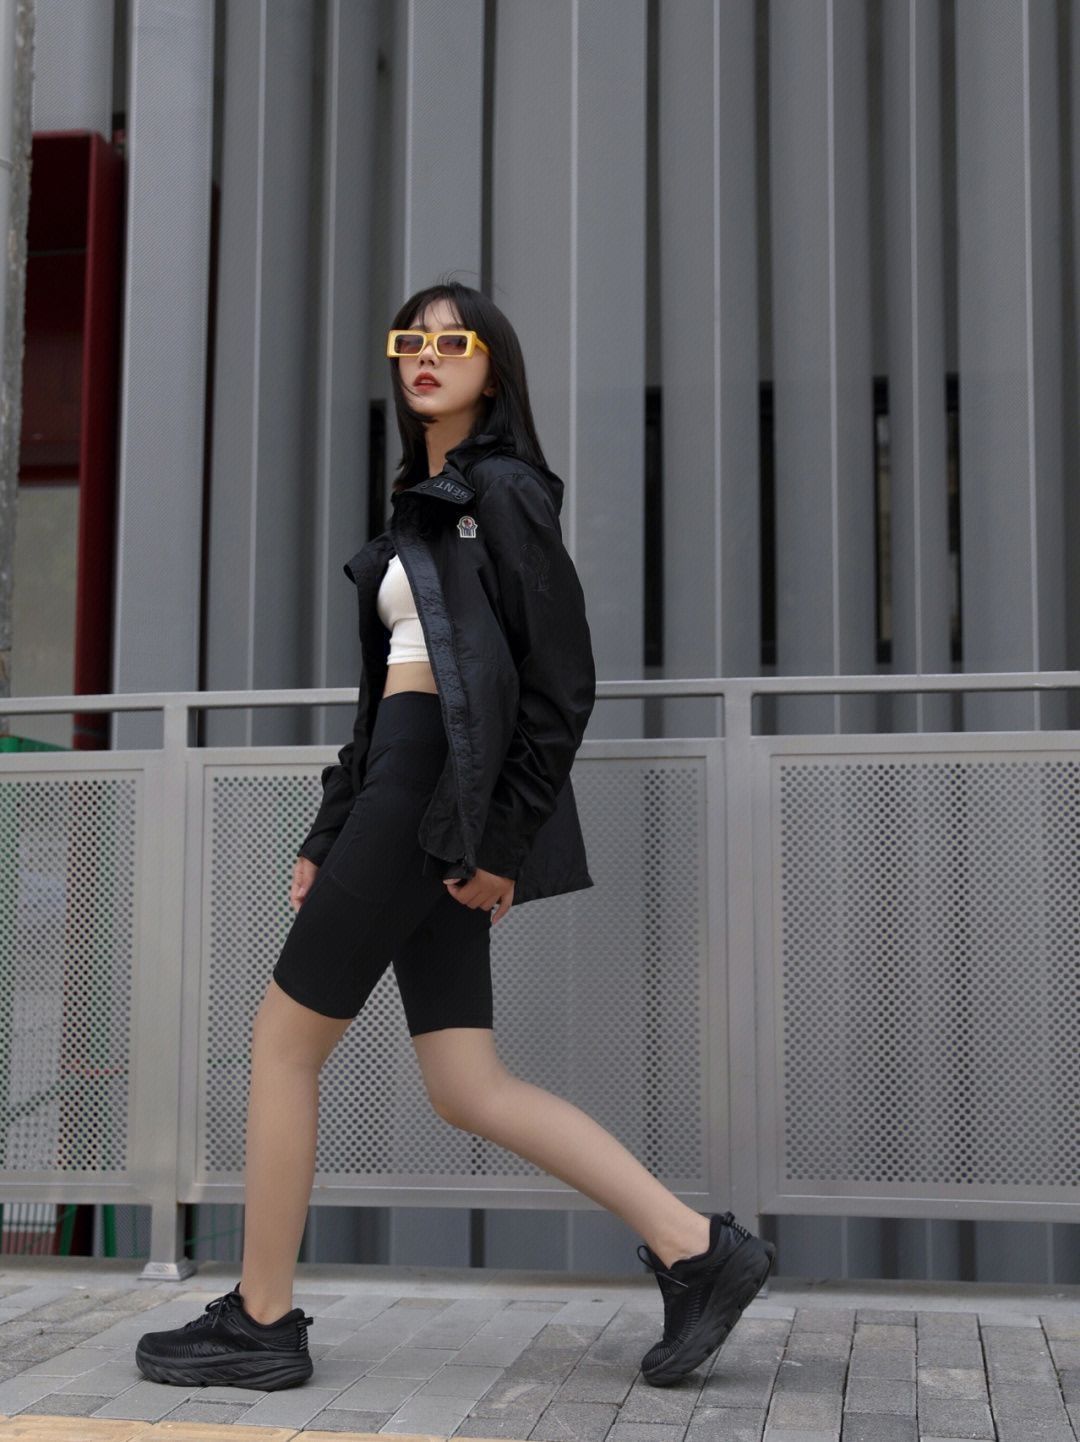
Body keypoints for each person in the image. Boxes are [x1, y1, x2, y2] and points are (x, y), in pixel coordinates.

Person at [135, 280, 774, 1394]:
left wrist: (502, 844)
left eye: (454, 341)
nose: (426, 356)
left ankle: (263, 1318)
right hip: (401, 790)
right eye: (410, 341)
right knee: (466, 1083)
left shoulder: (503, 492)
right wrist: (327, 829)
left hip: (431, 799)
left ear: (494, 367)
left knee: (283, 1043)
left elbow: (560, 685)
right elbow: (380, 705)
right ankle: (697, 1248)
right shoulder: (421, 506)